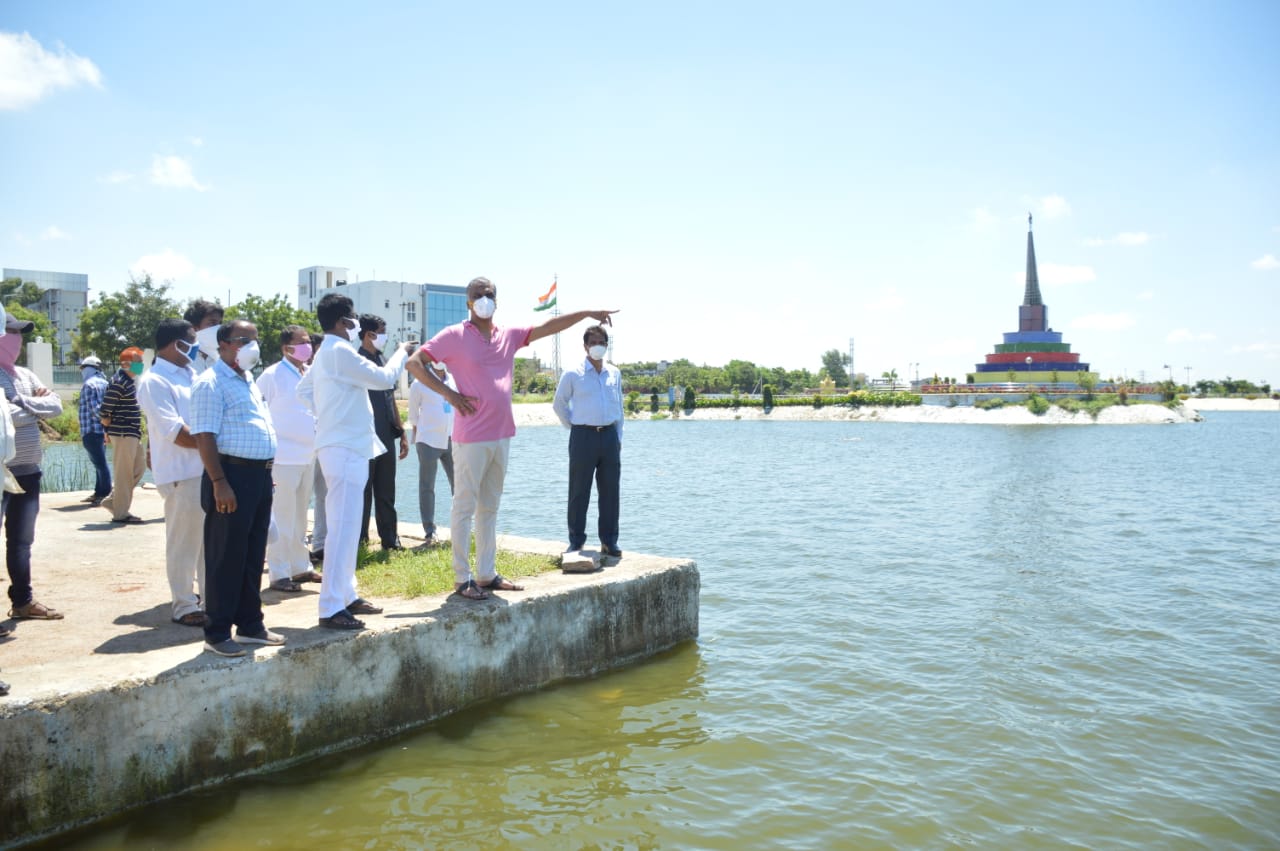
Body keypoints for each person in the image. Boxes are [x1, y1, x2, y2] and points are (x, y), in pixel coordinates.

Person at [407, 276, 616, 600]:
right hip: (470, 437)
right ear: (468, 302)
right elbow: (414, 362)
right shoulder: (454, 336)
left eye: (489, 295)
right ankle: (462, 579)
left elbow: (550, 326)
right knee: (464, 507)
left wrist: (588, 312)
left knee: (489, 508)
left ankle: (487, 574)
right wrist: (449, 394)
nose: (484, 299)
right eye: (478, 295)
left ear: (496, 300)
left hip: (501, 434)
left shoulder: (508, 336)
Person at [297, 294, 410, 630]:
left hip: (343, 445)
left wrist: (329, 415)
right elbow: (385, 378)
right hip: (345, 448)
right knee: (343, 530)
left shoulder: (325, 354)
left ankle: (346, 594)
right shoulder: (340, 350)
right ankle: (331, 606)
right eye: (353, 319)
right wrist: (403, 352)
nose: (356, 325)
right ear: (342, 322)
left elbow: (304, 392)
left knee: (345, 528)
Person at [189, 320, 284, 657]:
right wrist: (219, 482)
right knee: (225, 557)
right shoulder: (210, 383)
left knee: (252, 554)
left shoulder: (248, 381)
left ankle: (250, 625)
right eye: (244, 340)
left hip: (258, 477)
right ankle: (217, 632)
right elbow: (204, 436)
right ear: (224, 344)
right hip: (230, 477)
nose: (252, 346)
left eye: (255, 340)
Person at [136, 319, 207, 627]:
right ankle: (184, 604)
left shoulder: (193, 374)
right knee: (183, 542)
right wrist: (214, 444)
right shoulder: (154, 380)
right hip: (182, 472)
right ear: (172, 343)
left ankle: (210, 598)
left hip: (206, 470)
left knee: (209, 543)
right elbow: (176, 432)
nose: (194, 347)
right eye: (189, 341)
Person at [0, 309, 63, 621]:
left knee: (22, 542)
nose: (17, 339)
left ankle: (23, 602)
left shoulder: (24, 375)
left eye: (18, 333)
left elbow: (56, 406)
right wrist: (35, 408)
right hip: (2, 473)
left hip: (27, 472)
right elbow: (4, 416)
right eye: (10, 331)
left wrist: (21, 404)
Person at [256, 325, 321, 592]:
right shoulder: (272, 376)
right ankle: (279, 573)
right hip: (283, 458)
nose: (308, 346)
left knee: (299, 516)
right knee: (281, 516)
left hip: (308, 456)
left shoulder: (310, 373)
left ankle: (300, 566)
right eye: (302, 342)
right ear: (287, 348)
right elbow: (259, 412)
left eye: (309, 342)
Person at [552, 324, 624, 559]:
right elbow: (559, 404)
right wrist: (574, 427)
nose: (598, 346)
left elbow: (619, 409)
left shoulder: (614, 373)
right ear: (585, 346)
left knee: (610, 492)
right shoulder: (573, 373)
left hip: (610, 436)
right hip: (583, 436)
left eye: (602, 342)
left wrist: (618, 437)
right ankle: (576, 541)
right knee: (579, 491)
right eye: (593, 342)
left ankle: (609, 541)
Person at [357, 314, 408, 551]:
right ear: (369, 335)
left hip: (386, 436)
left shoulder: (383, 360)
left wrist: (402, 432)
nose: (385, 337)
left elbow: (391, 399)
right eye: (382, 332)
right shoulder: (358, 361)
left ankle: (390, 540)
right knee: (363, 492)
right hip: (365, 437)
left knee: (387, 490)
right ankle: (360, 542)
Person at [408, 359, 455, 547]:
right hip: (428, 439)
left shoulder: (453, 380)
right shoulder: (419, 383)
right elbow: (413, 413)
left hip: (452, 438)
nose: (441, 360)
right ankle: (430, 531)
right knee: (427, 486)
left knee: (459, 484)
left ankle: (460, 529)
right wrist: (418, 430)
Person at [99, 346, 146, 524]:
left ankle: (114, 501)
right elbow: (104, 410)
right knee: (124, 473)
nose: (141, 365)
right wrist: (107, 428)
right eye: (138, 362)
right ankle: (121, 512)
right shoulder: (120, 382)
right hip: (124, 433)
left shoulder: (128, 381)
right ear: (127, 364)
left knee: (137, 469)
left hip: (131, 433)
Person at [77, 355, 111, 506]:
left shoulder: (89, 385)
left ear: (88, 368)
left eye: (83, 368)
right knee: (100, 462)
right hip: (102, 430)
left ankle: (104, 493)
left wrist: (103, 420)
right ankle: (99, 491)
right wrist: (107, 425)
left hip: (91, 429)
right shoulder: (105, 383)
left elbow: (94, 408)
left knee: (100, 463)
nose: (82, 371)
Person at [183, 299, 224, 374]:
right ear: (194, 327)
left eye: (220, 323)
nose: (218, 327)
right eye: (212, 323)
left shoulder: (221, 363)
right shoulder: (182, 362)